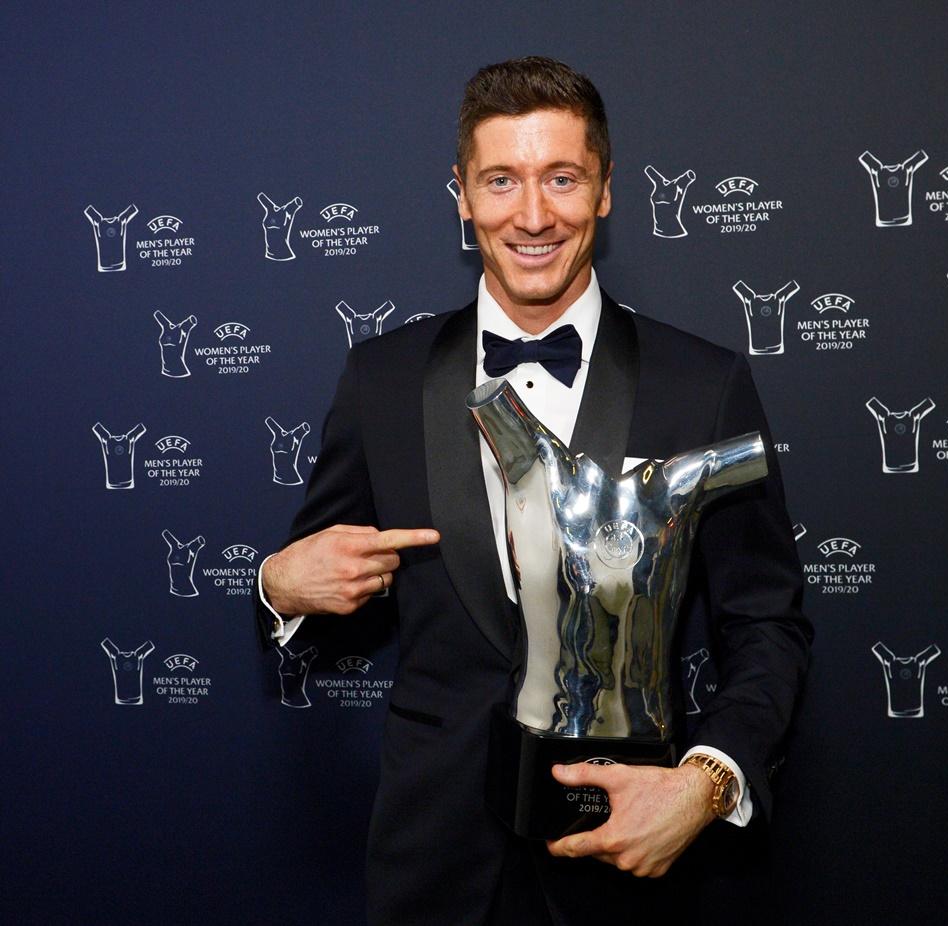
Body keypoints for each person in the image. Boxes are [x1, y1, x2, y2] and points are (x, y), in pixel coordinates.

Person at [255, 56, 812, 926]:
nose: (533, 214)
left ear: (606, 191)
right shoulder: (381, 379)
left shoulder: (701, 385)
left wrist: (705, 786)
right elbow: (315, 576)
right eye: (502, 181)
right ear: (463, 197)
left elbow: (766, 624)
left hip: (626, 859)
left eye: (562, 178)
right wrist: (278, 587)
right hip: (428, 867)